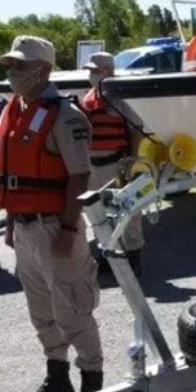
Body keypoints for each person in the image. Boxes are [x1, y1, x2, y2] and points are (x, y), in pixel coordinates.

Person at [0, 35, 103, 392]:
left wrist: (70, 228)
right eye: (10, 65)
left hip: (56, 226)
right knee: (41, 311)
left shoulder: (65, 116)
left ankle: (92, 382)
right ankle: (57, 377)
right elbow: (11, 175)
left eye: (20, 66)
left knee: (73, 309)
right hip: (25, 228)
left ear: (43, 69)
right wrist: (11, 223)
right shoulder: (15, 110)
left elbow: (79, 175)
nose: (12, 72)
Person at [78, 52, 146, 275]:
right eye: (89, 70)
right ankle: (108, 253)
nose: (90, 74)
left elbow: (137, 130)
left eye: (94, 70)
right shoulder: (88, 96)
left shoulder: (120, 97)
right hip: (93, 165)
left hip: (116, 163)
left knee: (128, 210)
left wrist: (133, 160)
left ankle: (134, 257)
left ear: (108, 70)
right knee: (99, 213)